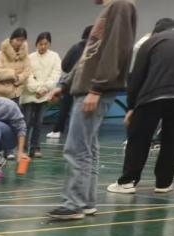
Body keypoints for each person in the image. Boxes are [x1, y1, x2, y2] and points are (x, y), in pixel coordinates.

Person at [47, 0, 137, 221]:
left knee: (77, 148)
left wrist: (97, 88)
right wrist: (65, 85)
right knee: (87, 148)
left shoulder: (121, 5)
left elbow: (117, 49)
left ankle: (73, 204)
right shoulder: (109, 10)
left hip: (94, 90)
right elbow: (88, 56)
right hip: (87, 88)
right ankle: (86, 202)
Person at [108, 19, 174, 194]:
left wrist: (131, 107)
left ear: (156, 31)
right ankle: (164, 183)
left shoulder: (152, 41)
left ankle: (128, 181)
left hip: (151, 95)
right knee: (173, 140)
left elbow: (137, 75)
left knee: (139, 138)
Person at [21, 32, 61, 158]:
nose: (43, 46)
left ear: (49, 44)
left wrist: (44, 89)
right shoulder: (29, 58)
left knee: (38, 122)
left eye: (45, 44)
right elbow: (28, 76)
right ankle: (22, 149)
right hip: (29, 94)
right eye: (40, 44)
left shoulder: (55, 57)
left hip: (44, 95)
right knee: (26, 122)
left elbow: (55, 75)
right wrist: (37, 89)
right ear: (36, 44)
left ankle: (35, 148)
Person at [48, 26, 92, 139]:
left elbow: (64, 65)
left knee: (65, 107)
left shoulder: (75, 47)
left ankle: (57, 130)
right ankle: (80, 133)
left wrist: (69, 74)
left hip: (70, 84)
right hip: (86, 86)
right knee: (82, 111)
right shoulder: (93, 49)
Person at [0, 28, 31, 103]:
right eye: (17, 40)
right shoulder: (1, 54)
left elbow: (27, 72)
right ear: (11, 39)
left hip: (17, 95)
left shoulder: (25, 56)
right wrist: (12, 74)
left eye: (22, 40)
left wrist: (19, 78)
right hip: (0, 95)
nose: (19, 43)